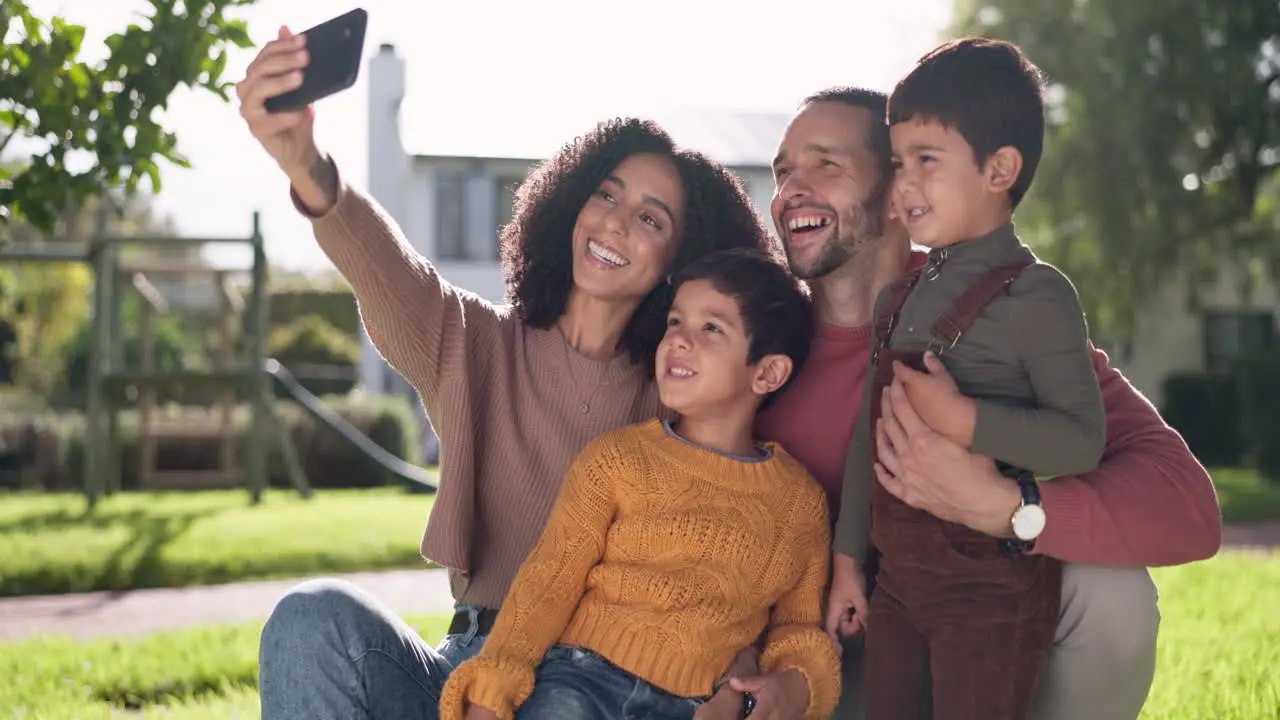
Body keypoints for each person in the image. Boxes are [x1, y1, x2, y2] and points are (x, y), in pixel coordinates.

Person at [236, 26, 775, 720]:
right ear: (572, 202)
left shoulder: (683, 399)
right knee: (312, 618)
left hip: (607, 689)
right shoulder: (475, 343)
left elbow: (730, 564)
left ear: (679, 261)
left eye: (649, 218)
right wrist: (306, 161)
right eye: (605, 196)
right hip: (473, 670)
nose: (613, 224)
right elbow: (388, 270)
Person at [748, 86, 1222, 720]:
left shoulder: (1004, 316)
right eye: (782, 171)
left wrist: (1007, 508)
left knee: (1111, 591)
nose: (789, 190)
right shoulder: (752, 341)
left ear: (903, 187)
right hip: (819, 665)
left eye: (825, 164)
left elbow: (1185, 506)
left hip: (975, 629)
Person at [438, 247, 840, 720]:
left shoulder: (799, 506)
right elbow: (549, 582)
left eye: (711, 328)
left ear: (768, 372)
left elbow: (796, 627)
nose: (679, 341)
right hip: (581, 681)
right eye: (675, 322)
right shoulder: (618, 460)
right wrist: (492, 688)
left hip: (697, 707)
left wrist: (796, 681)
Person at [828, 37, 1106, 720]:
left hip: (993, 596)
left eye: (927, 160)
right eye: (898, 164)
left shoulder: (1037, 296)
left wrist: (965, 423)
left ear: (999, 169)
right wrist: (846, 563)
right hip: (896, 587)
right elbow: (871, 441)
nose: (904, 183)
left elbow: (1081, 439)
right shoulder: (901, 295)